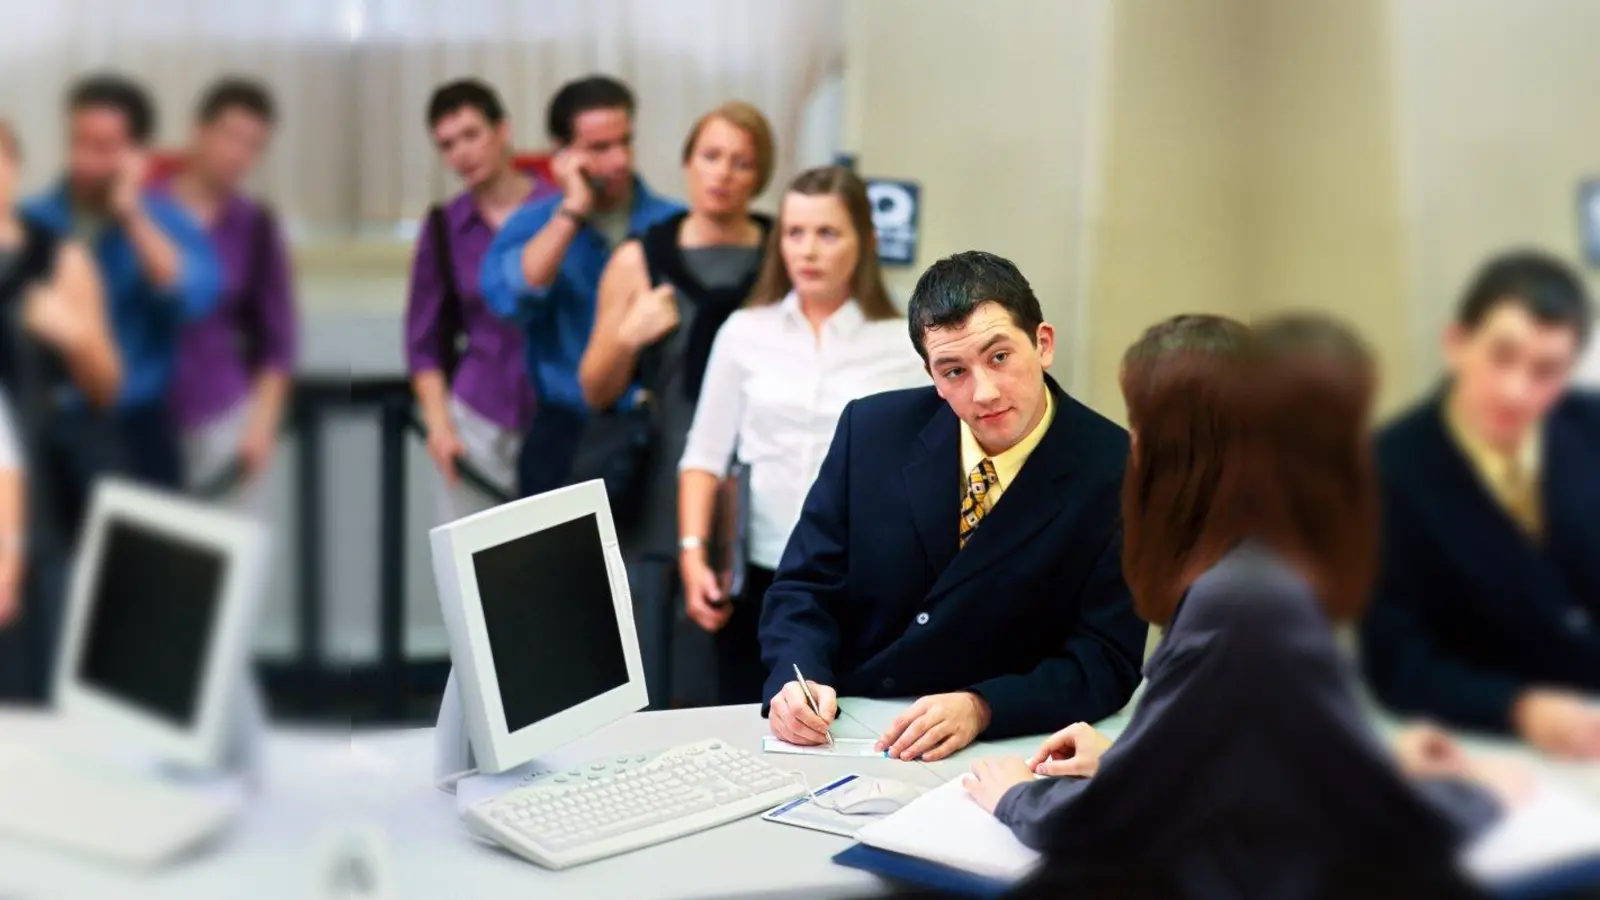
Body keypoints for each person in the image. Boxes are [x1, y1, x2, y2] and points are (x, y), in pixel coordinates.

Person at [962, 315, 1518, 898]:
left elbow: (1105, 819)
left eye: (1141, 426)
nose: (1133, 446)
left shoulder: (1234, 595)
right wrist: (1126, 752)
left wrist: (1015, 796)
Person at [758, 250, 1145, 758]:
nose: (983, 391)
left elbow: (1107, 657)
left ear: (1043, 344)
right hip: (852, 724)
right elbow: (805, 586)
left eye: (1000, 357)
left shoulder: (1116, 467)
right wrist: (797, 677)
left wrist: (983, 706)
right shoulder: (871, 431)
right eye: (954, 371)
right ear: (933, 378)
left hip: (1009, 740)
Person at [675, 164, 918, 706]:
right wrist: (693, 554)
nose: (808, 250)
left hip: (866, 578)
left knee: (854, 722)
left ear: (866, 241)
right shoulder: (744, 332)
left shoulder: (904, 343)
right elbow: (705, 455)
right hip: (760, 570)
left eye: (827, 233)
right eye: (794, 232)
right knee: (752, 722)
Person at [1362, 250, 1600, 760]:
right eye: (1502, 356)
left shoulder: (1590, 428)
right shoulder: (1387, 469)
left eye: (1546, 370)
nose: (1518, 391)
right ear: (1457, 344)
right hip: (1485, 743)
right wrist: (1517, 708)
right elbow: (1395, 660)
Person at [580, 101, 776, 707]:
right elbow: (595, 388)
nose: (722, 174)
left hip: (766, 478)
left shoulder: (785, 253)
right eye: (711, 156)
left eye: (741, 163)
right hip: (669, 475)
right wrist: (627, 336)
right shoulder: (640, 259)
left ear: (760, 176)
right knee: (664, 660)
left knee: (754, 662)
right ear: (688, 163)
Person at [480, 75, 681, 497]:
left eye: (625, 142)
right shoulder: (534, 226)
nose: (620, 161)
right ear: (564, 154)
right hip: (565, 435)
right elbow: (508, 299)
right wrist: (572, 211)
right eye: (600, 148)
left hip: (657, 432)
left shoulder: (672, 224)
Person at [23, 74, 222, 496]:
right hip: (42, 428)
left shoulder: (167, 225)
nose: (84, 162)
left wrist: (132, 217)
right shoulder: (32, 219)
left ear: (137, 154)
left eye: (102, 148)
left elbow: (194, 300)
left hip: (135, 430)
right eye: (77, 142)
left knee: (140, 560)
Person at [0, 117, 120, 702]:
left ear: (14, 167)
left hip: (42, 487)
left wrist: (74, 334)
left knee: (40, 652)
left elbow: (105, 385)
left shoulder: (59, 259)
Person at [407, 79, 549, 519]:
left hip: (557, 414)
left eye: (471, 135)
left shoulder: (558, 208)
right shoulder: (444, 227)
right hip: (479, 412)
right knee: (475, 562)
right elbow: (423, 342)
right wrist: (439, 425)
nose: (461, 153)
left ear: (502, 130)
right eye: (447, 145)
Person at [157, 77, 296, 505]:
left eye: (255, 146)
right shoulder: (142, 210)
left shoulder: (254, 225)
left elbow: (278, 341)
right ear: (200, 131)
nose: (240, 155)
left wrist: (261, 425)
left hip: (223, 412)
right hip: (147, 415)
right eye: (232, 137)